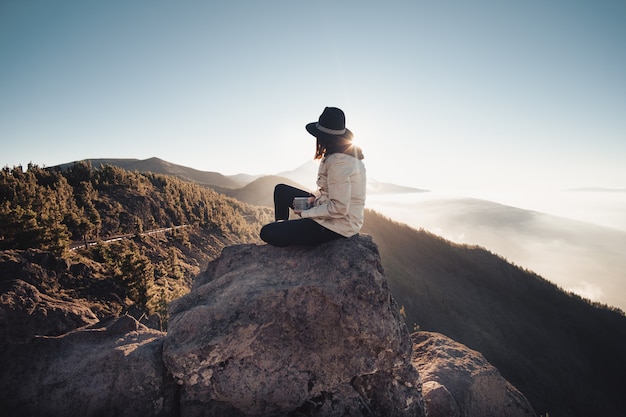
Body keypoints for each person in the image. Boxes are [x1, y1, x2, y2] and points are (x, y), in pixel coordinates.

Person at [260, 107, 366, 247]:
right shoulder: (339, 155)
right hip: (331, 211)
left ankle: (286, 233)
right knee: (281, 190)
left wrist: (307, 213)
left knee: (267, 232)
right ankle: (285, 229)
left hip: (338, 226)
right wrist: (314, 199)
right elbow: (331, 190)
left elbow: (339, 208)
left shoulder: (339, 163)